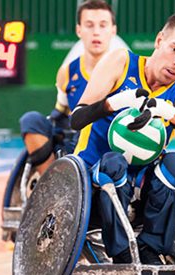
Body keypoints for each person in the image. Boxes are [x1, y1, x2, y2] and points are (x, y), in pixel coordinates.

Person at [70, 12, 175, 267]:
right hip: (92, 178)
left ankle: (150, 247)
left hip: (141, 190)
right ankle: (122, 253)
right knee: (114, 162)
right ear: (159, 41)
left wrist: (171, 113)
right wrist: (113, 103)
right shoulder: (121, 62)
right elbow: (76, 118)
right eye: (174, 49)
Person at [19, 0, 117, 175]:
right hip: (74, 141)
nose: (96, 32)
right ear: (79, 30)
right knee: (31, 120)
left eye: (103, 25)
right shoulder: (67, 72)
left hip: (108, 146)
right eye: (89, 25)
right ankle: (51, 184)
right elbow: (61, 114)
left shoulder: (125, 71)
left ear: (113, 30)